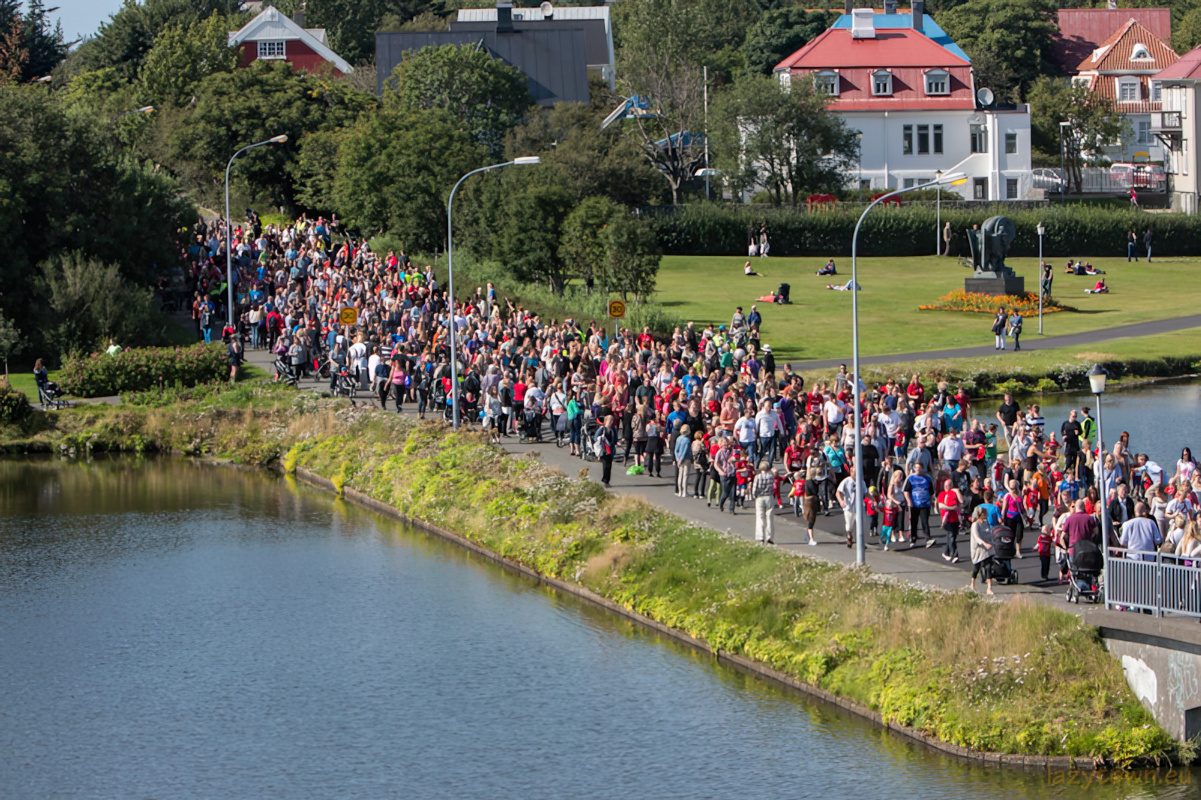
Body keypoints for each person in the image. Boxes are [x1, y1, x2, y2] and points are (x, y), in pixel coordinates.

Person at [969, 506, 995, 595]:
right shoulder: (975, 525)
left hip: (987, 548)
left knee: (988, 567)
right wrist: (985, 544)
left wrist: (991, 543)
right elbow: (977, 537)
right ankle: (972, 584)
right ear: (981, 514)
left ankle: (989, 587)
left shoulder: (987, 523)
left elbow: (990, 534)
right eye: (985, 513)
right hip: (978, 549)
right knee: (977, 567)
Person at [752, 461, 776, 544]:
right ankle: (769, 537)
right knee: (769, 517)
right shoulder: (771, 476)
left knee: (760, 517)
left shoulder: (757, 477)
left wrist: (754, 496)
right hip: (769, 496)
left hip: (760, 497)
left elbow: (754, 489)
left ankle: (760, 536)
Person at [596, 415, 617, 486]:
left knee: (609, 465)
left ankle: (607, 480)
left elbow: (615, 439)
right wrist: (600, 439)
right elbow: (595, 437)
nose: (611, 421)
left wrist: (616, 442)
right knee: (605, 465)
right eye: (609, 420)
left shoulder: (613, 429)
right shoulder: (602, 429)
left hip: (610, 449)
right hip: (604, 449)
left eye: (612, 420)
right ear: (606, 420)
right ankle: (605, 479)